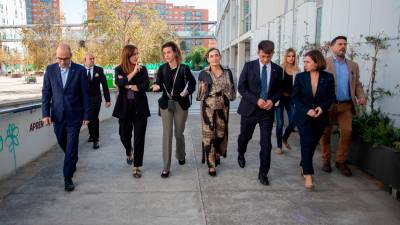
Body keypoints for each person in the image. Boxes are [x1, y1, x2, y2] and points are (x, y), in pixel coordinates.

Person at [42, 43, 90, 192]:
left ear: (71, 56)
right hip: (57, 116)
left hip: (74, 116)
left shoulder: (80, 70)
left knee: (71, 146)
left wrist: (86, 115)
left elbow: (85, 95)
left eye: (65, 58)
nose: (62, 62)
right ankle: (73, 158)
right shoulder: (50, 70)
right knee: (62, 141)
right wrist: (45, 114)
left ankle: (67, 178)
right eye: (59, 58)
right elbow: (46, 93)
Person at [236, 40, 283, 185]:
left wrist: (272, 100)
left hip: (266, 113)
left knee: (266, 143)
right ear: (258, 52)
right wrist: (256, 100)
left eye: (268, 57)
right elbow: (241, 88)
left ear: (272, 54)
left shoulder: (277, 69)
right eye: (263, 56)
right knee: (245, 136)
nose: (265, 60)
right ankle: (241, 153)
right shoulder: (249, 66)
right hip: (249, 110)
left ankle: (263, 173)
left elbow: (279, 90)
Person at [319, 36, 366, 176]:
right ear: (332, 47)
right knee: (325, 133)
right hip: (328, 105)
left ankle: (340, 161)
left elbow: (357, 84)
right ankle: (326, 159)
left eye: (345, 44)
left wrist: (361, 96)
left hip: (345, 105)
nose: (343, 46)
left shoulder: (352, 65)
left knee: (347, 132)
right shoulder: (324, 63)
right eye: (339, 44)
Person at [151, 41, 196, 178]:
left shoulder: (184, 68)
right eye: (164, 53)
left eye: (169, 52)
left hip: (181, 104)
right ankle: (166, 167)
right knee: (167, 134)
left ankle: (181, 154)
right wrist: (156, 86)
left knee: (178, 133)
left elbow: (192, 83)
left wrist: (187, 91)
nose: (166, 55)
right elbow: (158, 82)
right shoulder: (162, 68)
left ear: (175, 52)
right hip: (166, 104)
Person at [292, 50, 335, 190]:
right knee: (306, 142)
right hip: (304, 117)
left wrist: (322, 108)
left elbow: (331, 97)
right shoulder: (300, 77)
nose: (305, 64)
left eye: (308, 62)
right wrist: (306, 110)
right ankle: (308, 174)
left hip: (320, 118)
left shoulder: (328, 77)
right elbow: (295, 98)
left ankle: (304, 164)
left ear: (317, 62)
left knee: (312, 144)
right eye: (304, 62)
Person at [197, 48, 236, 176]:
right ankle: (211, 164)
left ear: (220, 57)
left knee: (220, 134)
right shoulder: (204, 73)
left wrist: (226, 91)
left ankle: (217, 154)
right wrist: (207, 89)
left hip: (223, 108)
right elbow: (200, 95)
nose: (214, 58)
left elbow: (232, 94)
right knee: (209, 136)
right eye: (211, 56)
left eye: (216, 55)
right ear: (208, 58)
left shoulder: (227, 72)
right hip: (207, 109)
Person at [112, 44, 150, 178]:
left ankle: (137, 166)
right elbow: (119, 83)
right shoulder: (118, 69)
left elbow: (146, 85)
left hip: (140, 108)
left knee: (139, 138)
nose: (136, 56)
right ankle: (129, 151)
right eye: (134, 54)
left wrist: (132, 85)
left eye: (137, 53)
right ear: (127, 55)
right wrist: (133, 72)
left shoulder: (143, 69)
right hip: (124, 108)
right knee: (123, 134)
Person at [275, 48, 300, 154]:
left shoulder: (297, 70)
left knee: (294, 121)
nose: (291, 58)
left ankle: (284, 138)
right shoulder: (280, 69)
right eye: (289, 56)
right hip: (280, 99)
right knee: (280, 123)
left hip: (291, 99)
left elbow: (299, 87)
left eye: (293, 56)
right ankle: (279, 146)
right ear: (286, 57)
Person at [84, 52, 111, 149]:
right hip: (85, 100)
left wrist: (107, 99)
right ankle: (91, 134)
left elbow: (104, 85)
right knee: (88, 118)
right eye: (90, 59)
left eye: (93, 58)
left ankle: (96, 140)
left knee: (94, 118)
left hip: (96, 99)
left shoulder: (99, 70)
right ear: (85, 60)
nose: (92, 60)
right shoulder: (80, 71)